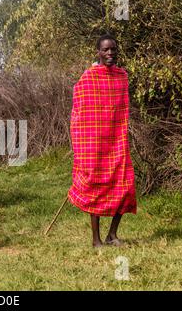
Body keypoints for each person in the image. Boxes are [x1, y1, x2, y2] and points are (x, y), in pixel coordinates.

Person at [68, 34, 137, 247]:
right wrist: (81, 145)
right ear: (98, 52)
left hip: (116, 142)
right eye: (105, 50)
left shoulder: (121, 77)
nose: (110, 53)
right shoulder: (88, 78)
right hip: (94, 145)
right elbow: (79, 113)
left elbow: (121, 109)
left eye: (113, 49)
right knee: (95, 188)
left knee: (124, 187)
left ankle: (112, 235)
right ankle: (96, 239)